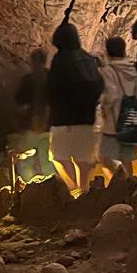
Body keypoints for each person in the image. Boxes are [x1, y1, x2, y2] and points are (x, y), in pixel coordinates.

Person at [46, 18, 104, 193]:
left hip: (64, 119)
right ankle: (83, 190)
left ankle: (73, 189)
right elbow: (100, 85)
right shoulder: (88, 59)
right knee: (82, 159)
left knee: (57, 157)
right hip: (87, 118)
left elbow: (53, 87)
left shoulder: (61, 60)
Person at [98, 35, 137, 171]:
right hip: (131, 121)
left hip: (114, 123)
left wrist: (105, 109)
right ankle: (130, 186)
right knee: (127, 160)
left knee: (104, 157)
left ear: (108, 52)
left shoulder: (108, 71)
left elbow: (111, 95)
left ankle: (120, 182)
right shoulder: (133, 70)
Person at [11, 49, 52, 182]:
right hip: (51, 125)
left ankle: (27, 188)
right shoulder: (53, 77)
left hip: (32, 125)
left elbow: (19, 100)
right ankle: (52, 188)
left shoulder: (28, 80)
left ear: (32, 62)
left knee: (23, 158)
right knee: (47, 159)